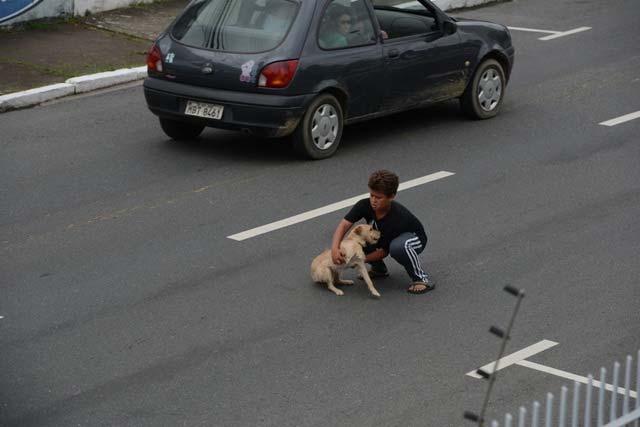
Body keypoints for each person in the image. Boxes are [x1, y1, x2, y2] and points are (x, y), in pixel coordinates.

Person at [331, 170, 435, 294]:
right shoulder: (364, 205)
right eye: (371, 195)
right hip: (386, 237)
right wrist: (334, 249)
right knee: (361, 238)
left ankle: (421, 279)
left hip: (413, 239)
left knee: (398, 247)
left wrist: (359, 261)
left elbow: (384, 252)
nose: (373, 200)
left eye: (379, 197)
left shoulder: (397, 218)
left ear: (391, 196)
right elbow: (344, 225)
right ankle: (379, 269)